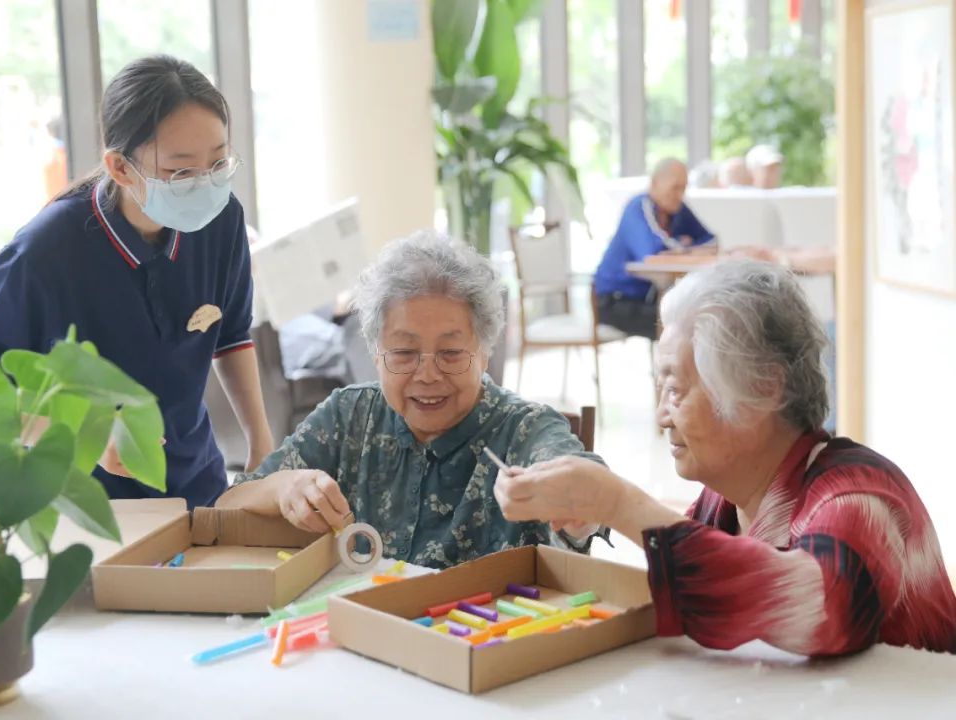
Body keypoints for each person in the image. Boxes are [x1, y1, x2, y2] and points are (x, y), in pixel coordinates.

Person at [496, 260, 956, 656]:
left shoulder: (857, 497)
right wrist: (589, 513)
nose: (661, 416)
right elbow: (702, 584)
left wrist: (618, 504)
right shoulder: (723, 501)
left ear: (763, 388)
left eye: (675, 390)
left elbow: (819, 611)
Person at [0, 55, 274, 508]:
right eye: (181, 171)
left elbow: (230, 334)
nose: (206, 184)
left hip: (196, 485)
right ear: (120, 168)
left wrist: (261, 446)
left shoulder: (221, 220)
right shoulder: (45, 254)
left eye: (219, 162)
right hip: (88, 504)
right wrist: (83, 431)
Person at [217, 232, 604, 568]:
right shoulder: (349, 417)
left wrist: (578, 511)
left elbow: (590, 487)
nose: (428, 374)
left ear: (485, 353)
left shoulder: (525, 430)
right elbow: (230, 504)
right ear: (375, 354)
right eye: (403, 353)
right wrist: (283, 486)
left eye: (451, 354)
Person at [593, 158, 715, 340]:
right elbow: (652, 252)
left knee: (701, 316)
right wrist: (683, 245)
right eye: (675, 187)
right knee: (688, 324)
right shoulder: (639, 207)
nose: (680, 194)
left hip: (648, 299)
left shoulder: (678, 209)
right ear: (654, 184)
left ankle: (673, 369)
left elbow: (711, 242)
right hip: (613, 302)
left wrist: (680, 247)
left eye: (683, 188)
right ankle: (669, 369)